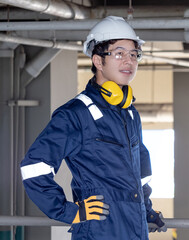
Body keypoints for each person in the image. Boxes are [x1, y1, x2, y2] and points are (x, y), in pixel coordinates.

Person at [20, 16, 166, 240]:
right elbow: (34, 167)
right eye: (119, 53)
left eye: (134, 54)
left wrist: (146, 210)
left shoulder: (129, 113)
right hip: (98, 231)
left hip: (135, 230)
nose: (129, 61)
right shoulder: (75, 114)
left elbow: (140, 174)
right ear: (98, 61)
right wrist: (70, 212)